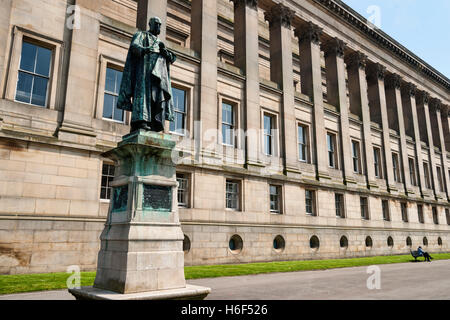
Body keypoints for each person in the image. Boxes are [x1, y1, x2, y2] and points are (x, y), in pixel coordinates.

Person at [117, 17, 177, 133]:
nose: (158, 27)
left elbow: (172, 58)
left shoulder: (160, 43)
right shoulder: (141, 35)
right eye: (156, 24)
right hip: (144, 72)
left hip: (157, 74)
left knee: (156, 98)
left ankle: (154, 123)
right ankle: (141, 122)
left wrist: (165, 52)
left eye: (160, 25)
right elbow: (134, 47)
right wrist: (146, 50)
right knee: (143, 96)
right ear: (150, 24)